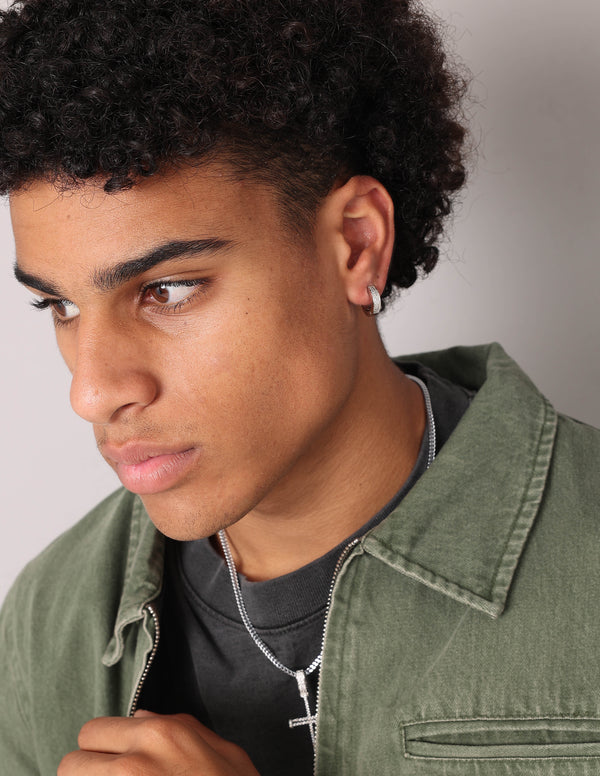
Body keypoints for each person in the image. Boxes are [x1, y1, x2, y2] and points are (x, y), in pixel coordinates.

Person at [0, 0, 598, 774]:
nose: (93, 392)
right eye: (61, 306)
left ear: (355, 243)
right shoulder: (50, 619)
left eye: (168, 290)